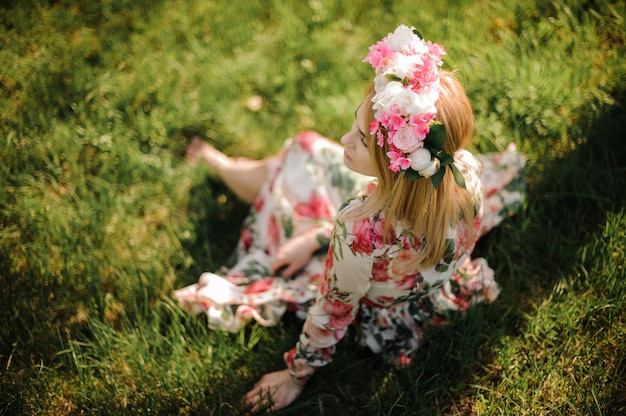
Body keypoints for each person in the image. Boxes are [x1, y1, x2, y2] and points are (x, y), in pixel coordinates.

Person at [174, 24, 525, 412]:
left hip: (378, 311)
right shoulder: (463, 173)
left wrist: (295, 376)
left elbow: (334, 308)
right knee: (307, 149)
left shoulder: (361, 228)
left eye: (359, 137)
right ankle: (238, 167)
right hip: (419, 289)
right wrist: (316, 238)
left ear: (396, 165)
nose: (345, 138)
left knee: (301, 154)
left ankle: (222, 165)